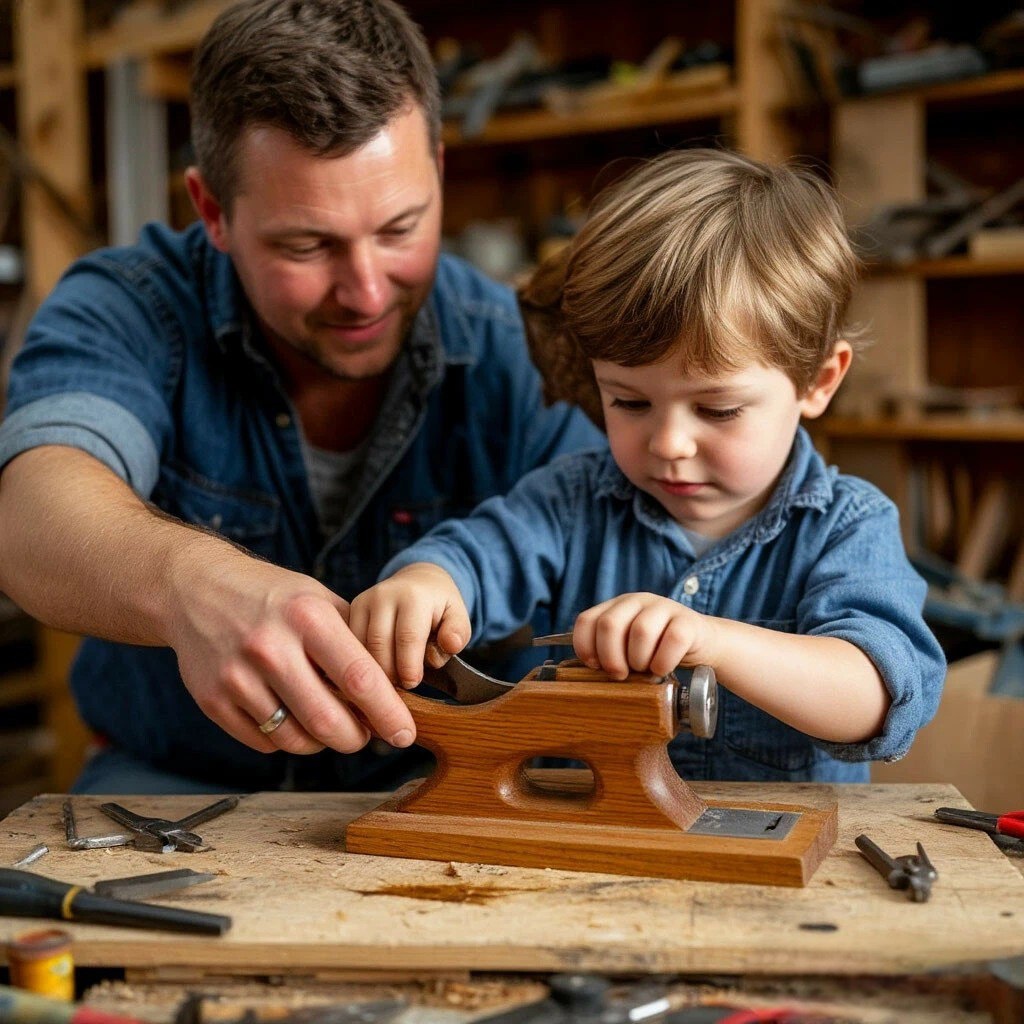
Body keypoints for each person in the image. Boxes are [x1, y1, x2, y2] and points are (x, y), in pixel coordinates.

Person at [0, 0, 601, 794]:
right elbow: (28, 516)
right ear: (212, 211)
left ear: (438, 170)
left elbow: (621, 554)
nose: (365, 292)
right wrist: (189, 585)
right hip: (170, 784)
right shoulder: (129, 308)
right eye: (307, 245)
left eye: (400, 229)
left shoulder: (515, 353)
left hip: (443, 785)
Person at [349, 148, 946, 783]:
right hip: (588, 837)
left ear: (819, 382)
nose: (668, 443)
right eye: (630, 402)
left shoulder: (849, 525)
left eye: (717, 409)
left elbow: (876, 697)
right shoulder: (570, 500)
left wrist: (711, 641)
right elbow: (474, 557)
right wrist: (425, 583)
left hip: (780, 846)